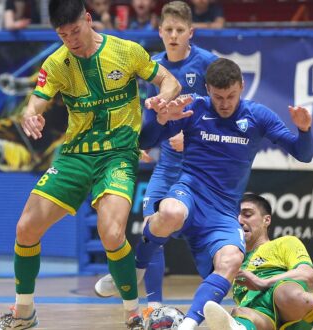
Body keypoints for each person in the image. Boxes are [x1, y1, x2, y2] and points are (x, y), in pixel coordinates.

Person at [0, 0, 181, 329]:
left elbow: (170, 81)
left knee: (111, 233)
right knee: (25, 228)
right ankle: (23, 314)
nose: (71, 40)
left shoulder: (126, 51)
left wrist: (162, 99)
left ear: (88, 19)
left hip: (117, 154)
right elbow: (38, 97)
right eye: (63, 35)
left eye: (75, 31)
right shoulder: (58, 62)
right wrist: (30, 113)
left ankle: (134, 316)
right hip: (75, 155)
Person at [97, 57, 313, 330]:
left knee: (232, 259)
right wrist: (162, 118)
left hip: (223, 212)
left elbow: (302, 154)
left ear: (242, 87)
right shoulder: (194, 108)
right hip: (189, 192)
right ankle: (137, 268)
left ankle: (187, 325)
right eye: (218, 96)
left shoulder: (258, 116)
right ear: (207, 88)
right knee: (169, 211)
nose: (224, 103)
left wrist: (304, 130)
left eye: (231, 96)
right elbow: (146, 141)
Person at [94, 0, 218, 315]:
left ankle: (228, 302)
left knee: (210, 240)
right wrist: (139, 140)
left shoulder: (207, 63)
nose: (174, 35)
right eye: (168, 30)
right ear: (159, 31)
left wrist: (190, 136)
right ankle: (154, 308)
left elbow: (224, 111)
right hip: (167, 164)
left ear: (191, 32)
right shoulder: (153, 66)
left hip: (200, 167)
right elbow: (143, 113)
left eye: (180, 30)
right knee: (151, 226)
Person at [203, 193, 313, 330]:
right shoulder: (232, 258)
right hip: (260, 318)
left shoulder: (284, 242)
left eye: (247, 214)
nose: (240, 220)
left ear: (266, 220)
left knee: (287, 294)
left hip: (291, 309)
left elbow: (308, 275)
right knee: (239, 313)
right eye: (236, 216)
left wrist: (263, 282)